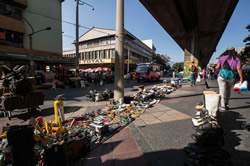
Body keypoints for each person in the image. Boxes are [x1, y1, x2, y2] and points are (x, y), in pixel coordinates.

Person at [215, 46, 243, 111]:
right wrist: (241, 78)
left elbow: (217, 67)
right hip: (231, 77)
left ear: (226, 51)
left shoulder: (222, 58)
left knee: (222, 91)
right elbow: (238, 68)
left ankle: (222, 106)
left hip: (221, 76)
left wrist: (217, 67)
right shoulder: (237, 59)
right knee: (228, 90)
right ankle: (227, 104)